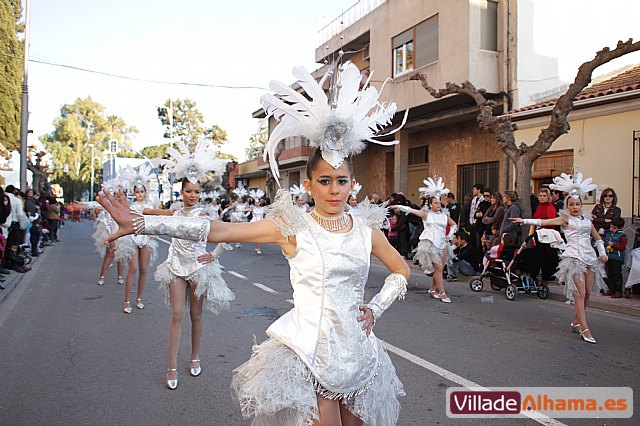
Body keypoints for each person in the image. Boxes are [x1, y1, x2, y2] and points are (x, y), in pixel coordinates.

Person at [99, 61, 408, 425]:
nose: (334, 190)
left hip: (360, 356)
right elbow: (220, 230)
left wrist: (375, 308)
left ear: (351, 183)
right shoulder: (292, 228)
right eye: (325, 181)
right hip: (312, 356)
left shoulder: (365, 230)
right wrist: (143, 223)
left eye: (341, 181)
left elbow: (400, 270)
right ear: (308, 185)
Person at [512, 173, 607, 344]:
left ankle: (577, 321)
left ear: (581, 204)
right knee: (580, 293)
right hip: (573, 258)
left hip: (590, 258)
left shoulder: (587, 220)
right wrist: (524, 220)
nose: (575, 207)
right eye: (571, 204)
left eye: (577, 204)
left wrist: (602, 253)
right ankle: (585, 328)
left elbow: (597, 238)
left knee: (587, 294)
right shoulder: (564, 220)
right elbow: (544, 222)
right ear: (567, 206)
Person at [395, 176, 457, 303]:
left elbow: (454, 225)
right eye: (436, 203)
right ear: (431, 204)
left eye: (439, 203)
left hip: (442, 245)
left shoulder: (444, 216)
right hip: (430, 244)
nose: (438, 205)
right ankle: (443, 293)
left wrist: (449, 236)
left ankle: (433, 290)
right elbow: (411, 210)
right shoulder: (426, 215)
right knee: (438, 269)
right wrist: (399, 206)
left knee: (440, 269)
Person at [115, 166, 159, 314]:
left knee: (144, 269)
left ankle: (139, 298)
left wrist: (153, 233)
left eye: (142, 191)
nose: (140, 194)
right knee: (133, 268)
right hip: (133, 238)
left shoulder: (150, 206)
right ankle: (126, 301)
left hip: (146, 238)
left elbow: (155, 221)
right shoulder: (132, 207)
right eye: (137, 192)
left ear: (145, 192)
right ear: (134, 193)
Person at [531, 188, 560, 283]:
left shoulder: (550, 207)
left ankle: (546, 278)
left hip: (546, 236)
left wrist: (541, 224)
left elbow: (551, 222)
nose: (542, 197)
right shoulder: (539, 206)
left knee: (545, 258)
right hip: (538, 235)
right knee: (537, 257)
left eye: (544, 196)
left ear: (548, 197)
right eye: (540, 196)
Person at [603, 217, 627, 298]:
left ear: (619, 228)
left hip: (617, 257)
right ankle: (611, 289)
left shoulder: (622, 236)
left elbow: (623, 247)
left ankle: (618, 291)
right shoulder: (608, 233)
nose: (611, 229)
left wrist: (614, 245)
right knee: (609, 274)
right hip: (608, 256)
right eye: (611, 227)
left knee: (617, 274)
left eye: (614, 228)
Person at [249, 189, 267, 254]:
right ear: (254, 203)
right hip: (255, 223)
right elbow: (246, 210)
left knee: (259, 236)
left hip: (261, 223)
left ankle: (257, 247)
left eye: (258, 202)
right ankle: (258, 248)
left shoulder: (263, 208)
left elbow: (269, 211)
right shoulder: (253, 208)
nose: (257, 203)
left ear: (260, 202)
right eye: (256, 202)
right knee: (258, 236)